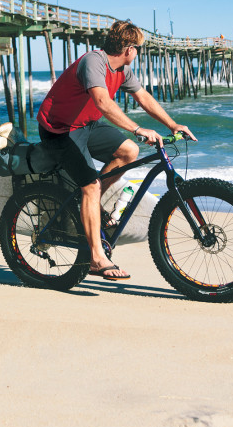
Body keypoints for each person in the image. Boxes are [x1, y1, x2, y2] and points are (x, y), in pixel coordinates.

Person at [36, 20, 195, 281]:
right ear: (129, 49)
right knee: (90, 186)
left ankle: (89, 204)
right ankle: (96, 259)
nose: (138, 54)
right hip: (59, 129)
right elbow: (102, 101)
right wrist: (137, 128)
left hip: (85, 124)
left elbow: (143, 97)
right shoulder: (93, 62)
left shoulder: (122, 71)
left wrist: (172, 124)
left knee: (129, 152)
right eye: (139, 49)